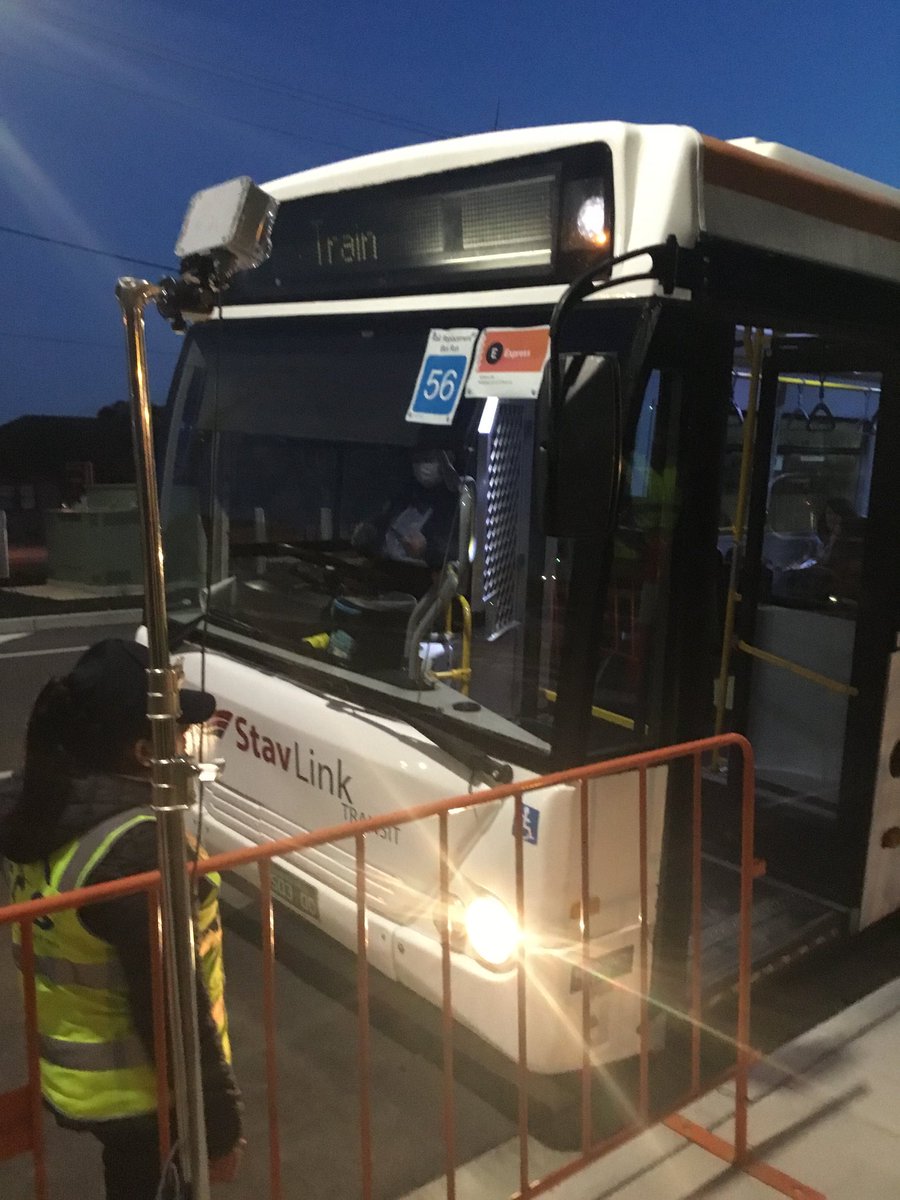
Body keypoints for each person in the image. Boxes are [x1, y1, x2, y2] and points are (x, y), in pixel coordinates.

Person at [0, 638, 244, 1200]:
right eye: (179, 731)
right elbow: (167, 1005)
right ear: (142, 752)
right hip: (146, 1093)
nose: (188, 743)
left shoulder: (39, 805)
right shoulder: (134, 850)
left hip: (76, 1074)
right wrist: (217, 1127)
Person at [352, 445, 459, 570]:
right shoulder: (406, 495)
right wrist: (369, 533)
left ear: (448, 460)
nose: (422, 466)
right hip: (388, 575)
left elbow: (460, 551)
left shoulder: (460, 503)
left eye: (428, 459)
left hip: (426, 582)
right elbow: (383, 526)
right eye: (417, 460)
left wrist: (427, 549)